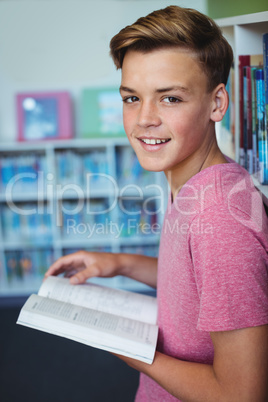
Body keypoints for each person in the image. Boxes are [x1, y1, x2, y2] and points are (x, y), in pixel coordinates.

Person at [45, 6, 268, 401]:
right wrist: (119, 264)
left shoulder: (220, 221)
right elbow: (198, 285)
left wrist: (137, 354)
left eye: (170, 98)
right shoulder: (196, 181)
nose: (144, 119)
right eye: (132, 97)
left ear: (218, 104)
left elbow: (241, 395)